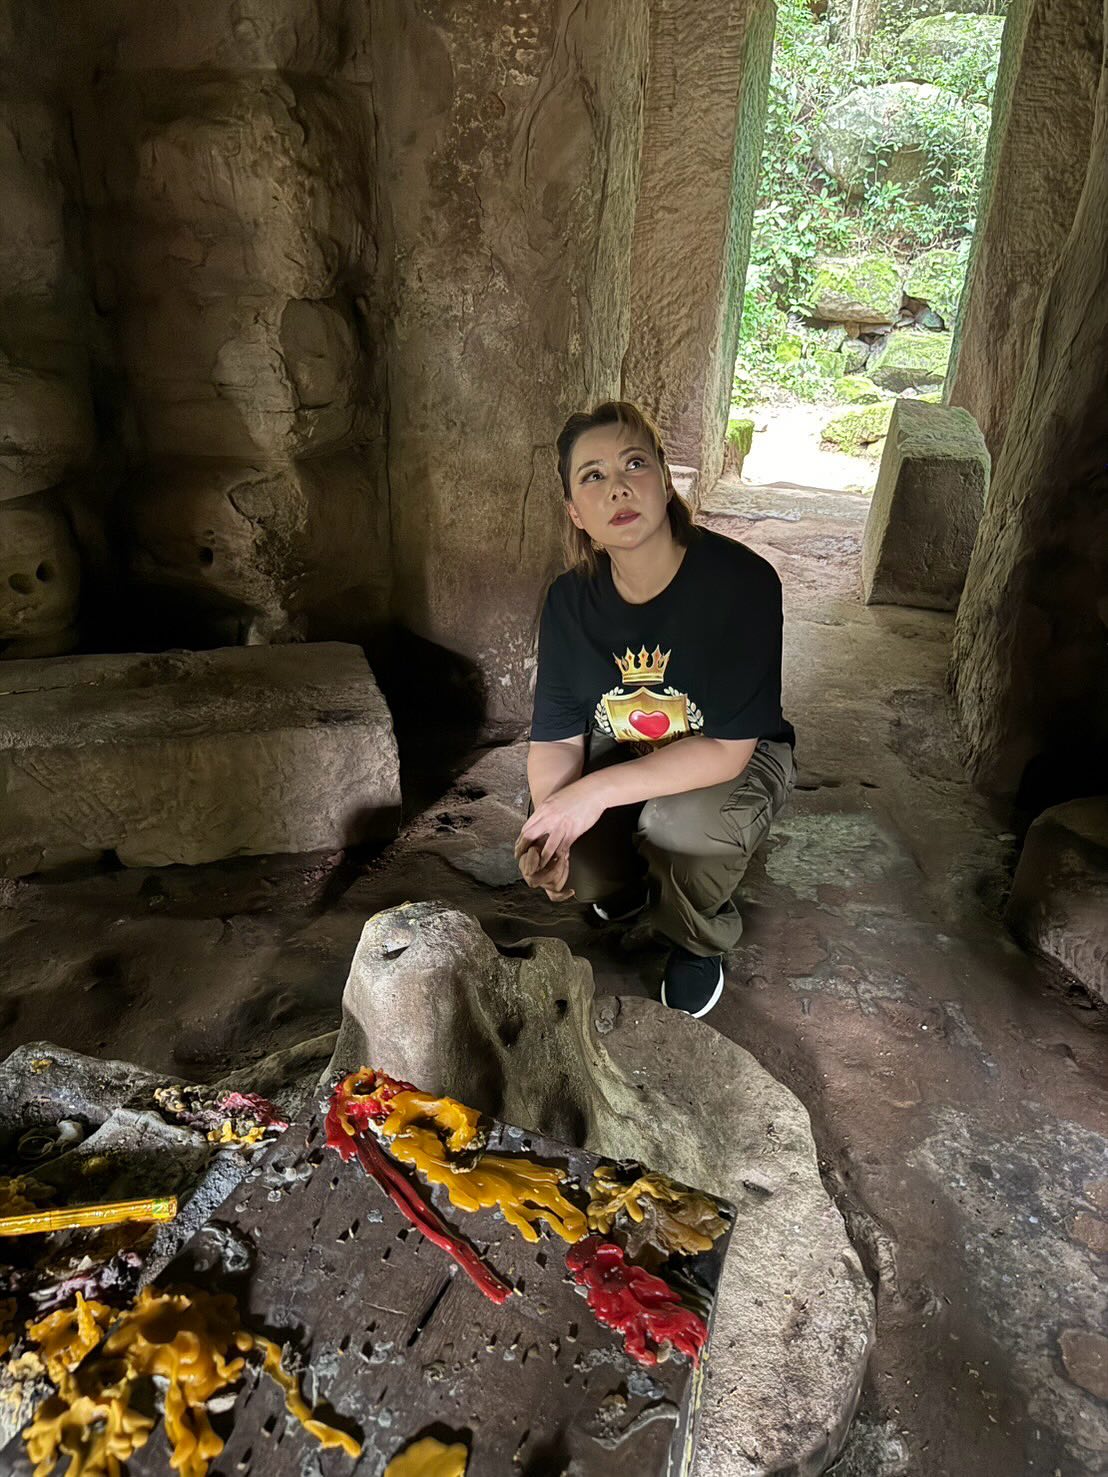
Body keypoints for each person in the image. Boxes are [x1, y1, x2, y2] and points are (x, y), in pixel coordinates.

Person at [514, 399, 795, 1019]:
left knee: (679, 827)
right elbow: (556, 738)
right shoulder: (568, 601)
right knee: (568, 849)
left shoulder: (743, 584)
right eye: (593, 476)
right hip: (632, 749)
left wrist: (590, 796)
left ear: (665, 482)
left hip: (735, 755)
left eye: (634, 464)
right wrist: (554, 821)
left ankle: (695, 934)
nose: (617, 487)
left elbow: (727, 750)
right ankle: (633, 881)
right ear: (575, 512)